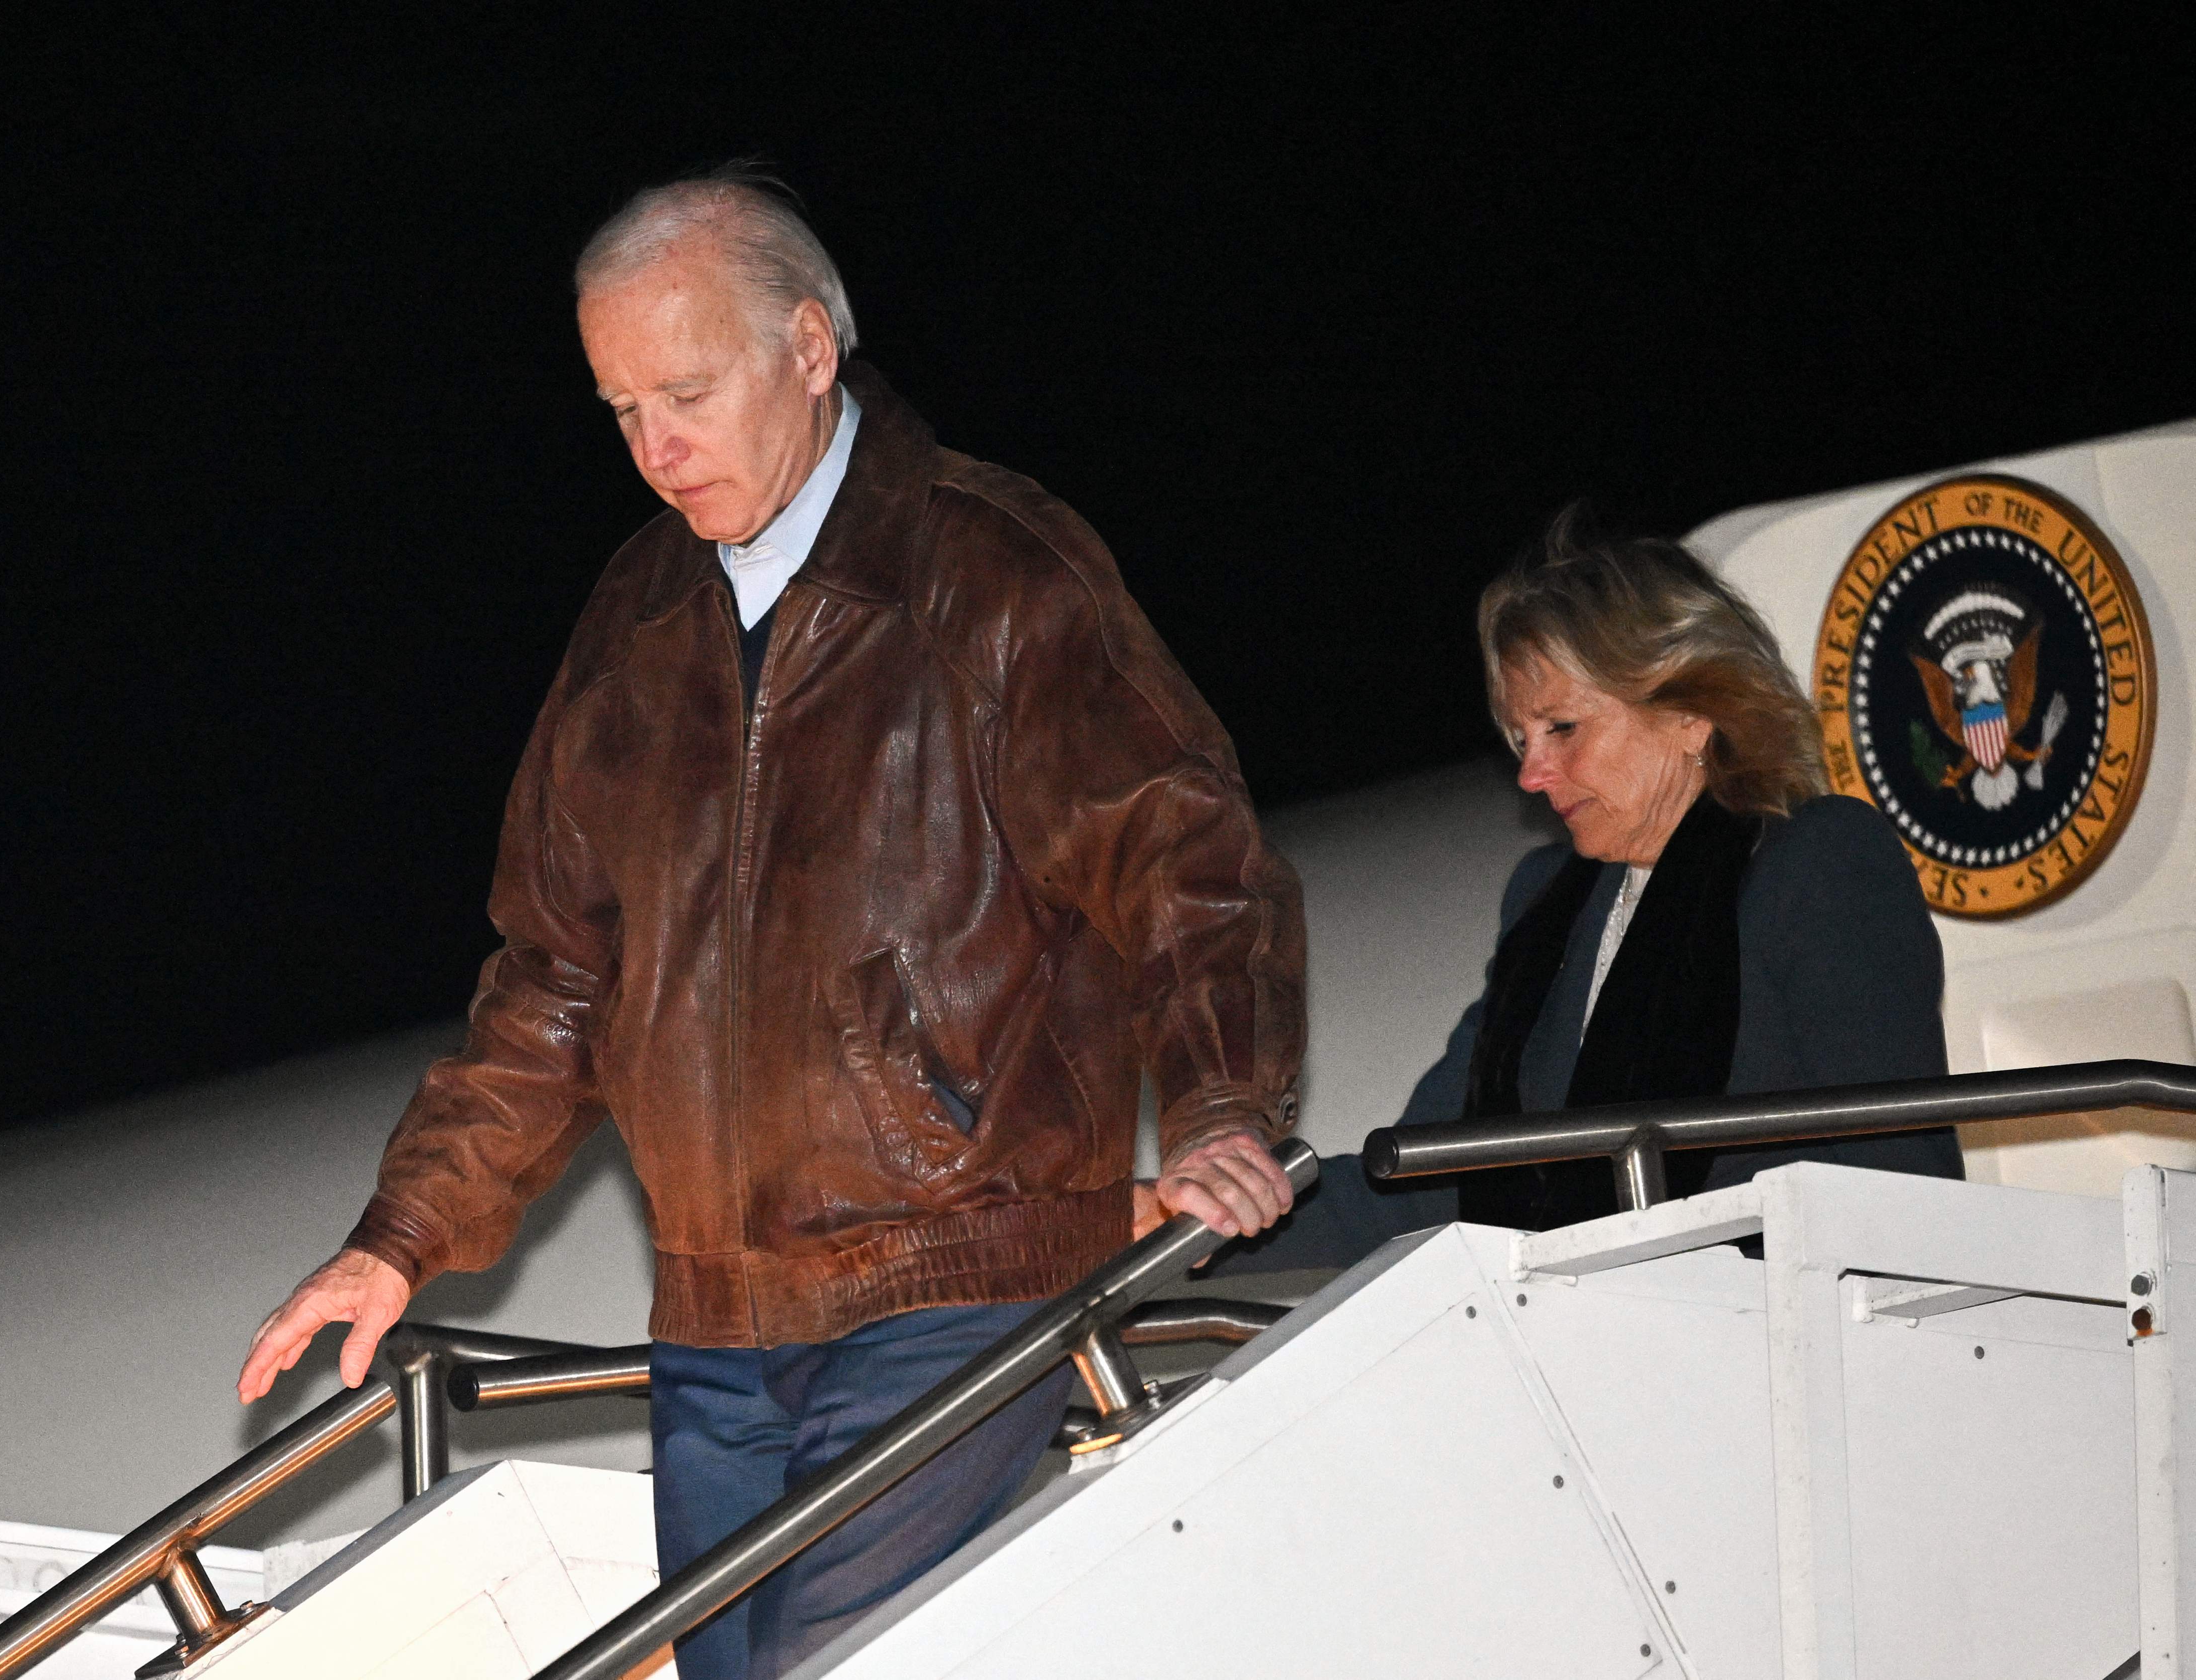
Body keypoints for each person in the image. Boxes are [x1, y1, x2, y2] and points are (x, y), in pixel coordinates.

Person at [233, 168, 1305, 1680]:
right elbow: (556, 977)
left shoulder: (993, 572)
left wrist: (1218, 1103)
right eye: (618, 412)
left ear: (810, 347)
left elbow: (1186, 854)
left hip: (959, 1271)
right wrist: (401, 1237)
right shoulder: (634, 616)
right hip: (717, 1314)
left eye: (685, 391)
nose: (656, 451)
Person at [1207, 510, 1959, 1273]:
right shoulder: (1545, 905)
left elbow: (1900, 1186)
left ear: (1691, 712)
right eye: (1520, 741)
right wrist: (1188, 1223)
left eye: (1561, 728)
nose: (1531, 775)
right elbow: (1423, 1179)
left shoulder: (1816, 860)